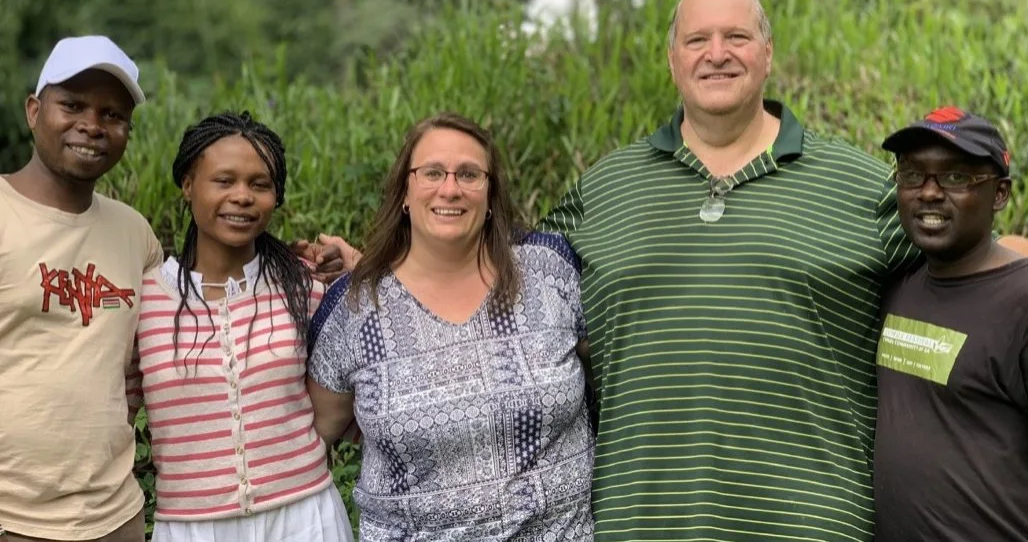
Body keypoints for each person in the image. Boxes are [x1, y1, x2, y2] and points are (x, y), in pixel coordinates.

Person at [533, 0, 1028, 541]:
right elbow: (518, 290)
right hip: (641, 524)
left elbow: (976, 251)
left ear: (767, 55)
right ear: (671, 60)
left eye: (737, 36)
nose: (717, 53)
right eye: (697, 40)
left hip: (813, 525)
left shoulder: (855, 184)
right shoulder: (605, 189)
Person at [0, 37, 344, 542]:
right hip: (14, 515)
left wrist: (348, 268)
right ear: (33, 111)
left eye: (112, 114)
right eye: (72, 105)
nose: (92, 125)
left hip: (115, 517)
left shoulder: (132, 235)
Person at [305, 112, 595, 541]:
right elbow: (308, 443)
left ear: (491, 192)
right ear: (405, 190)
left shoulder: (550, 270)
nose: (451, 188)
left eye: (469, 174)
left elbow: (619, 372)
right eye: (433, 172)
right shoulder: (355, 306)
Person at [127, 111, 354, 541]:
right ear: (188, 186)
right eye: (224, 180)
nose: (242, 196)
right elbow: (115, 417)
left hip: (304, 518)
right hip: (193, 527)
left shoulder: (302, 287)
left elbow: (365, 387)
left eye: (260, 184)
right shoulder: (146, 301)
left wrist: (355, 275)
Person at [873, 108, 1028, 541]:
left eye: (956, 178)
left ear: (1000, 194)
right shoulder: (898, 287)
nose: (930, 193)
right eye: (912, 175)